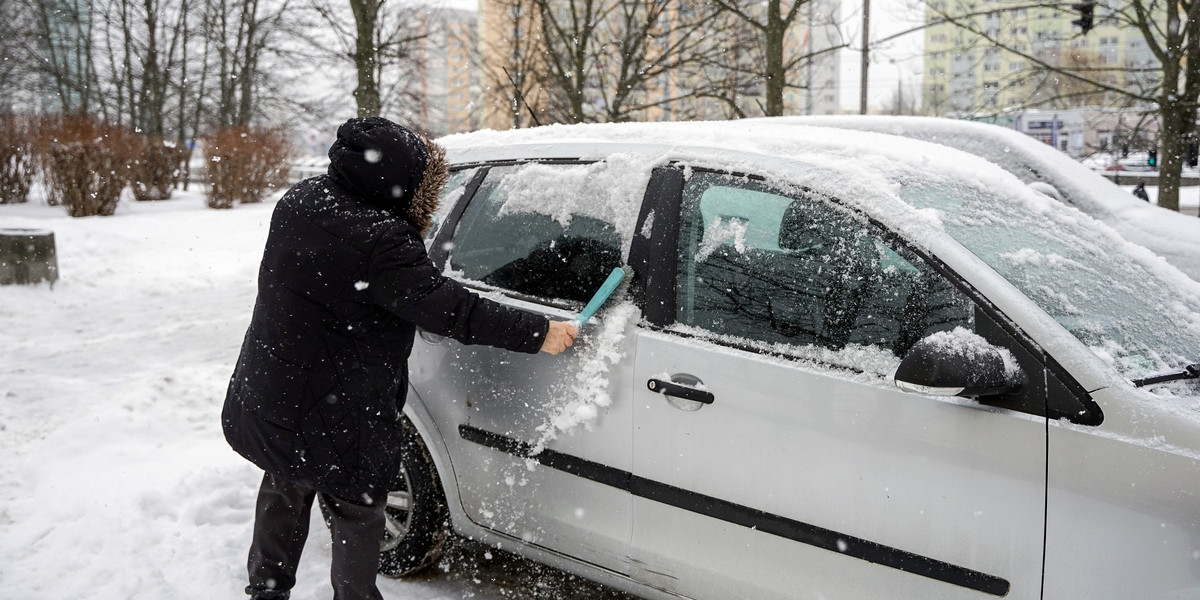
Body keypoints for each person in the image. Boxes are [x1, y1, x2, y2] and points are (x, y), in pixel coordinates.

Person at [221, 116, 578, 600]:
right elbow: (452, 309)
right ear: (396, 181)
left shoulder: (301, 200)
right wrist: (538, 331)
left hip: (276, 384)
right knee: (357, 510)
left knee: (285, 483)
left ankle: (265, 591)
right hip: (338, 407)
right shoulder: (381, 241)